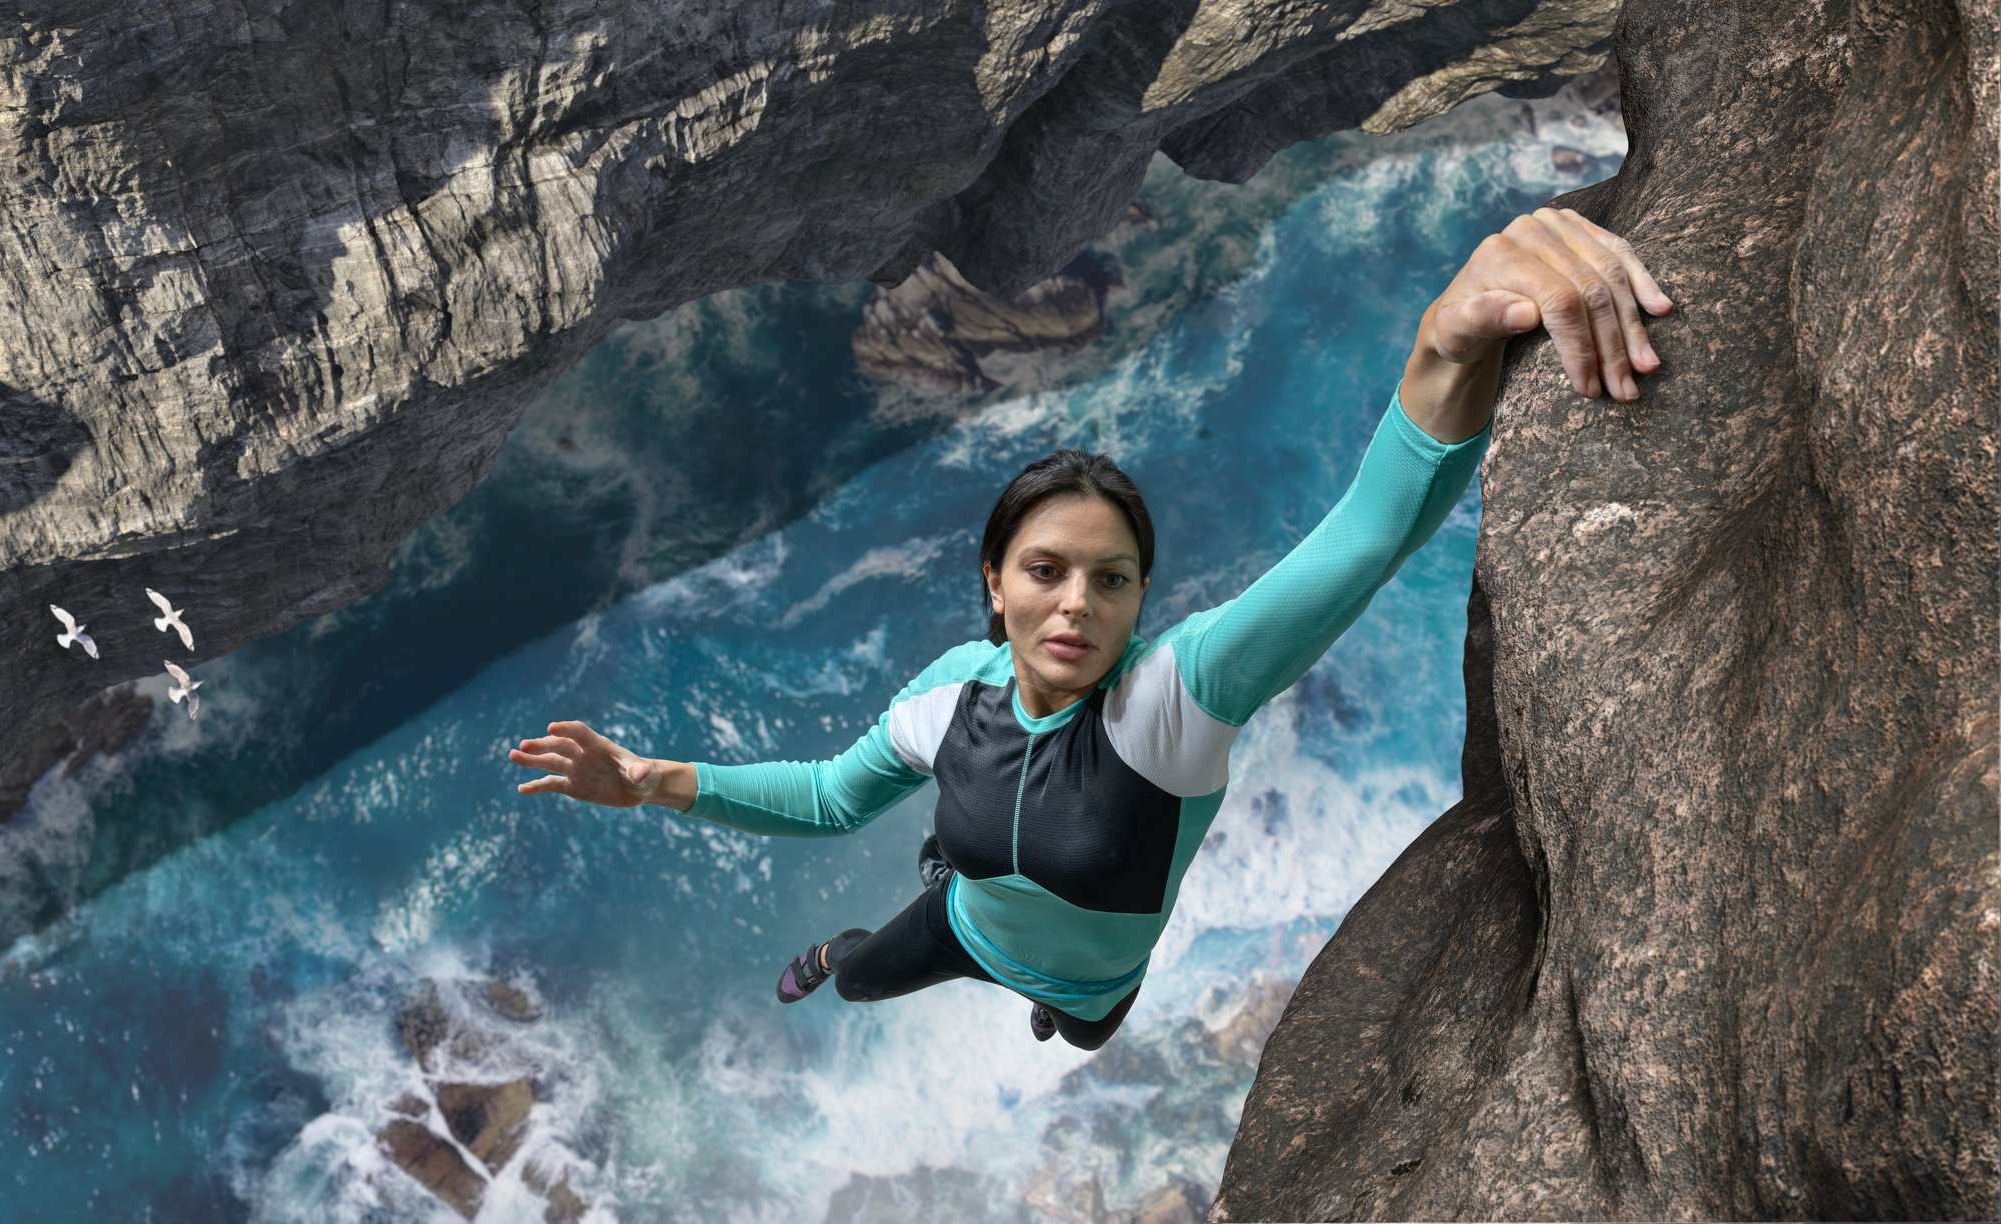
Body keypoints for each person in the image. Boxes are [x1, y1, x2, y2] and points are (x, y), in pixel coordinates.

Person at [510, 208, 1671, 1049]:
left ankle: (1050, 1008)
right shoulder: (946, 700)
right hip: (963, 922)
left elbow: (1363, 540)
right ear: (995, 582)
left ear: (1139, 601)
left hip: (1094, 982)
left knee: (1078, 1032)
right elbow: (825, 796)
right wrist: (652, 778)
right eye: (1046, 571)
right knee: (860, 982)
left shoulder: (1169, 709)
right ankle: (847, 947)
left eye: (1110, 580)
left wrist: (1443, 346)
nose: (1077, 602)